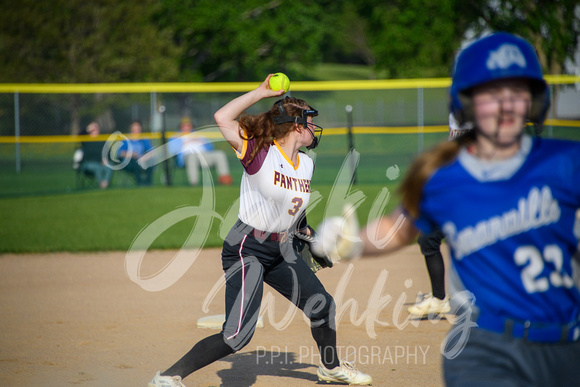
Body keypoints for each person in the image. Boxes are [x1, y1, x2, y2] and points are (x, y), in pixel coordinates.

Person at [316, 32, 580, 386]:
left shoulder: (564, 162)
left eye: (517, 92)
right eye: (491, 94)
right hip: (487, 347)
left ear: (534, 99)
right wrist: (351, 242)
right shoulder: (444, 177)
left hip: (567, 342)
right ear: (467, 102)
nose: (506, 106)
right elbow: (398, 229)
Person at [148, 75, 372, 386]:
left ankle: (330, 368)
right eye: (308, 120)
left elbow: (296, 203)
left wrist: (305, 232)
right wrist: (261, 92)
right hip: (247, 248)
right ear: (295, 125)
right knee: (237, 336)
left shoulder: (306, 164)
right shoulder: (259, 152)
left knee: (323, 305)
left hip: (282, 250)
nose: (313, 127)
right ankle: (168, 377)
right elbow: (221, 118)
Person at [408, 114, 474, 318]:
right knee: (428, 237)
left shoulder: (485, 104)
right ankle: (439, 299)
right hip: (455, 185)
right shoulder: (458, 108)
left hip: (476, 186)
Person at [169, 117, 233, 186]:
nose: (187, 127)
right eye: (184, 125)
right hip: (187, 156)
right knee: (192, 156)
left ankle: (224, 180)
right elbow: (172, 150)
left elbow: (210, 147)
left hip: (204, 155)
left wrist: (202, 142)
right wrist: (184, 143)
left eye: (188, 125)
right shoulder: (175, 136)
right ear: (181, 126)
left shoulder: (198, 135)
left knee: (220, 154)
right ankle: (194, 183)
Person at [117, 120, 155, 186]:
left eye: (138, 129)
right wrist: (132, 154)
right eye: (134, 129)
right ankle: (139, 182)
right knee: (134, 161)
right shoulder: (126, 139)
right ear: (131, 129)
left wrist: (145, 157)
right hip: (129, 163)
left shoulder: (143, 139)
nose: (136, 131)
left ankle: (148, 182)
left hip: (142, 162)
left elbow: (151, 152)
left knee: (151, 161)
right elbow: (120, 153)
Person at [78, 121, 112, 189]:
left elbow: (108, 153)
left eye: (96, 128)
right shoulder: (85, 139)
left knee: (109, 166)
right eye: (93, 129)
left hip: (101, 163)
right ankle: (102, 186)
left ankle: (105, 184)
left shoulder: (102, 140)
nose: (95, 130)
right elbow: (79, 134)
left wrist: (106, 159)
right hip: (88, 164)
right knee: (97, 167)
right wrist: (87, 129)